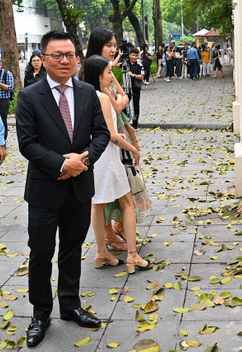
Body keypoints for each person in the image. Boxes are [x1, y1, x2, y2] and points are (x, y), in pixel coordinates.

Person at [16, 30, 110, 347]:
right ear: (43, 59)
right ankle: (40, 313)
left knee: (71, 251)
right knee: (41, 253)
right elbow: (27, 143)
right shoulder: (29, 96)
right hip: (45, 190)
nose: (64, 60)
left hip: (80, 188)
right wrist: (60, 164)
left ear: (77, 58)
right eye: (57, 55)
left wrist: (82, 160)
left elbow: (101, 134)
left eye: (70, 55)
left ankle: (70, 305)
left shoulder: (87, 93)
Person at [83, 55, 149, 273]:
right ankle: (132, 255)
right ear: (98, 75)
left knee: (98, 205)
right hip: (108, 157)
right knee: (127, 203)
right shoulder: (101, 98)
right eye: (109, 72)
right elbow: (112, 135)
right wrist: (133, 149)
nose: (112, 76)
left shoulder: (83, 94)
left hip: (93, 157)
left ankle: (101, 252)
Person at [84, 27, 131, 251]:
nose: (113, 49)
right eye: (109, 45)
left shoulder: (108, 70)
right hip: (106, 140)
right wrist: (116, 102)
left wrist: (117, 102)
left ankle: (117, 230)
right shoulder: (92, 72)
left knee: (120, 188)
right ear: (98, 46)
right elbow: (111, 103)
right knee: (104, 194)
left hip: (117, 132)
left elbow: (124, 97)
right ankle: (109, 237)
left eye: (115, 45)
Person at [125, 48, 144, 128]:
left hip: (136, 87)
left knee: (136, 105)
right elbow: (114, 64)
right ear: (129, 55)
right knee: (124, 105)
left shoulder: (139, 65)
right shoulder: (126, 64)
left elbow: (142, 77)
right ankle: (125, 121)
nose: (134, 57)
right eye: (133, 55)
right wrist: (119, 55)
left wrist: (134, 75)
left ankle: (135, 123)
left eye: (136, 56)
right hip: (127, 88)